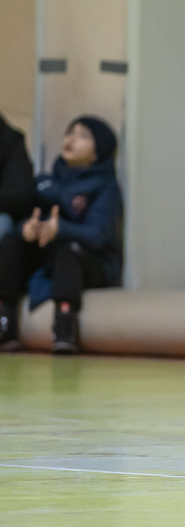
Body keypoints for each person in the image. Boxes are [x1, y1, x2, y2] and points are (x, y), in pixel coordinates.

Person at [0, 115, 123, 354]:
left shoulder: (105, 187)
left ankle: (64, 325)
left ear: (98, 151)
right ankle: (5, 321)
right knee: (11, 242)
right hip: (49, 258)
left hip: (89, 261)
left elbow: (98, 235)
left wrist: (61, 230)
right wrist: (26, 229)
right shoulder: (47, 182)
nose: (72, 139)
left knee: (69, 250)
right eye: (70, 132)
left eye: (83, 136)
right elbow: (29, 217)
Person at [0, 113, 36, 350]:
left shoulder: (10, 141)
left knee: (2, 223)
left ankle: (4, 317)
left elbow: (22, 195)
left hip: (6, 218)